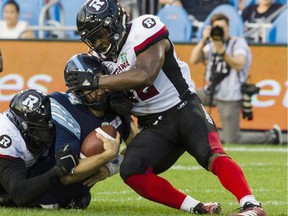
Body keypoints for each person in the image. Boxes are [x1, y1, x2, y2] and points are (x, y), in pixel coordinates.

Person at [66, 0, 267, 215]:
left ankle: (251, 205)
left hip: (183, 108)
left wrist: (97, 82)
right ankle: (198, 208)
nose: (98, 42)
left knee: (211, 155)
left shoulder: (144, 28)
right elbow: (122, 103)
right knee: (132, 171)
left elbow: (145, 74)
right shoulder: (103, 61)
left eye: (101, 34)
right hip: (154, 126)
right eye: (93, 39)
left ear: (115, 23)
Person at [190, 13, 282, 145]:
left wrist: (222, 50)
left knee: (232, 139)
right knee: (187, 96)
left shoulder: (238, 43)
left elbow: (239, 64)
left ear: (228, 27)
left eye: (222, 27)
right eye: (216, 28)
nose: (220, 31)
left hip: (230, 96)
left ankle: (272, 136)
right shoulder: (212, 44)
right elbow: (194, 60)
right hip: (211, 92)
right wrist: (203, 39)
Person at [0, 89, 78, 207]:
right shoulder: (7, 138)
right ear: (24, 124)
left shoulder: (18, 127)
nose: (49, 133)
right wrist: (57, 171)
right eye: (43, 128)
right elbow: (19, 193)